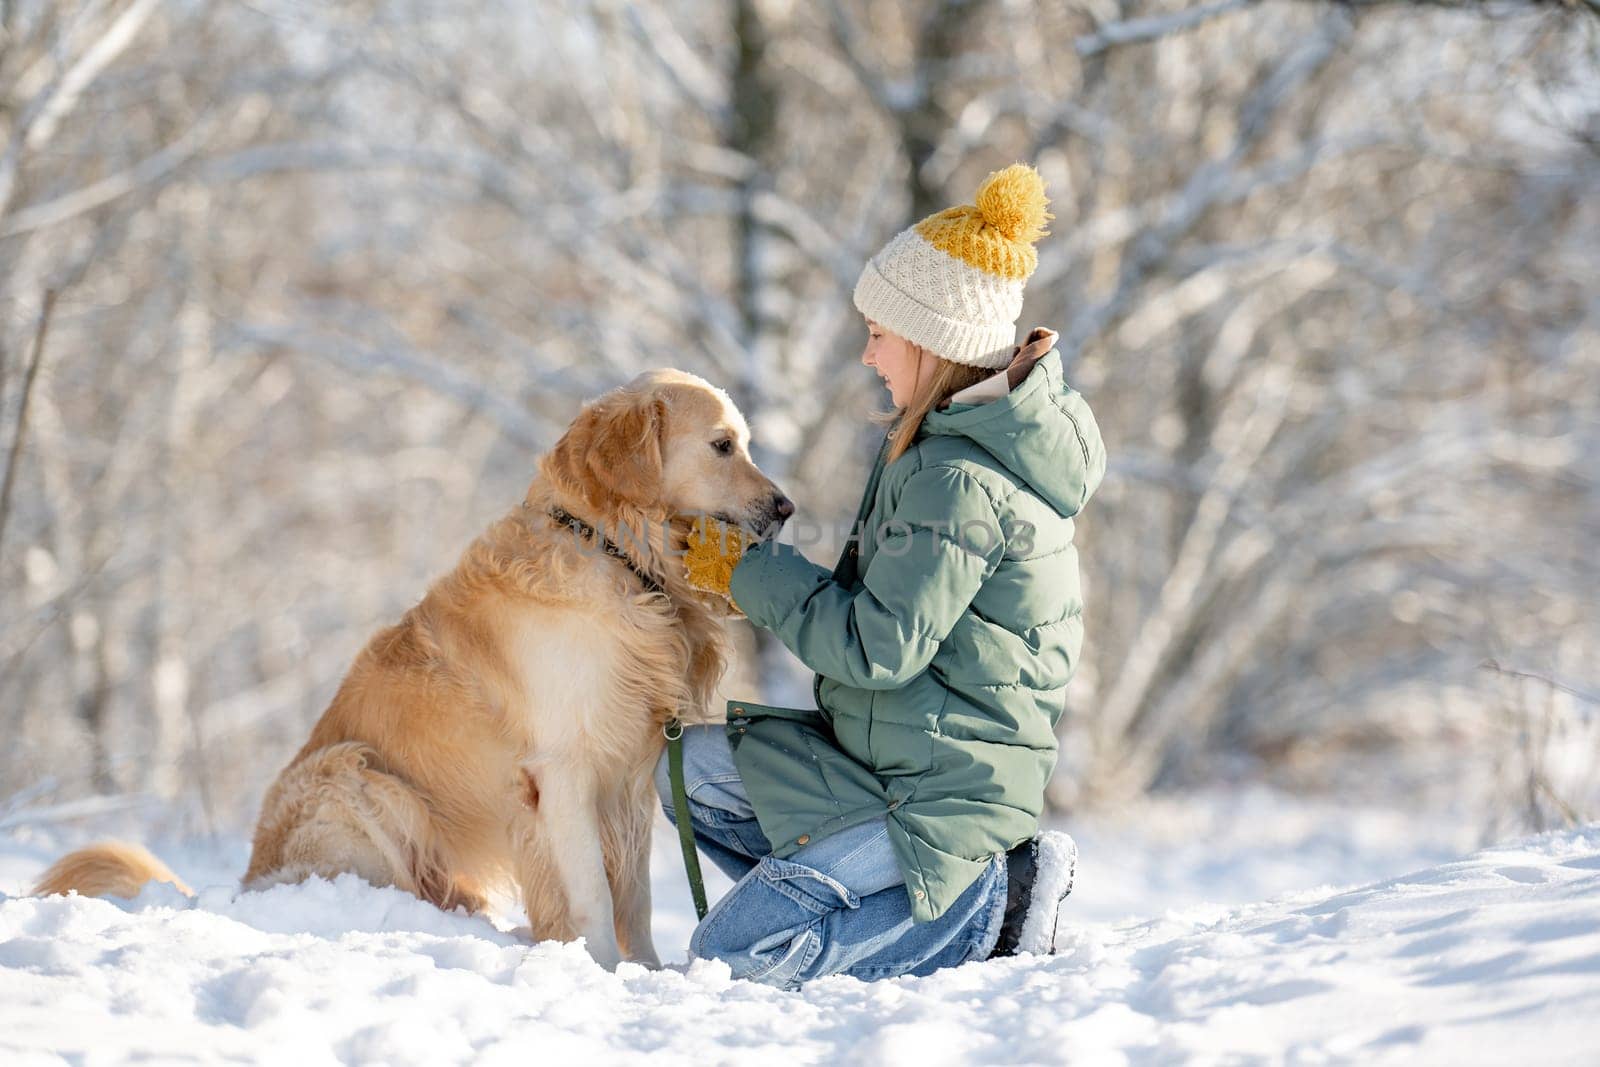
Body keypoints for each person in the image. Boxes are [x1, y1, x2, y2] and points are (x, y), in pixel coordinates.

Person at [665, 162, 1106, 989]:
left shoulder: (958, 479)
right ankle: (863, 897)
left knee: (729, 958)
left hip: (938, 798)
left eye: (880, 333)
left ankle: (989, 907)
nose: (867, 353)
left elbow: (875, 647)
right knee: (684, 774)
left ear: (933, 341)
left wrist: (744, 570)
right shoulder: (940, 444)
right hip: (886, 761)